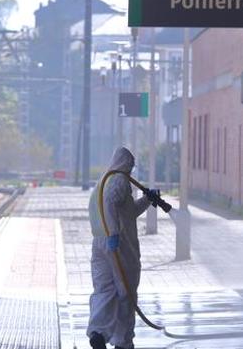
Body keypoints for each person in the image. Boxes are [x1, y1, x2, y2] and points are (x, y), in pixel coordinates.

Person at [86, 147, 152, 349]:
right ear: (126, 163)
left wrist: (147, 200)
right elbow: (110, 204)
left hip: (99, 244)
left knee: (104, 290)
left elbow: (127, 212)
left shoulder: (103, 181)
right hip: (119, 246)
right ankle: (123, 341)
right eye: (130, 165)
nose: (131, 170)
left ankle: (98, 332)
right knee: (126, 293)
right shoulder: (119, 180)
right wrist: (114, 233)